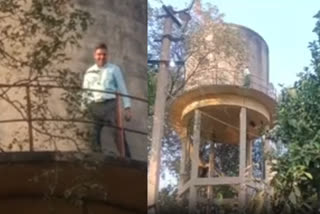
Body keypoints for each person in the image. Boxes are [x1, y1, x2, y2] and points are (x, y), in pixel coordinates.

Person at [81, 43, 132, 157]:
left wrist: (127, 107)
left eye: (104, 54)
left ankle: (127, 158)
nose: (101, 57)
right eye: (99, 54)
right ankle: (97, 158)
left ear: (107, 55)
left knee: (118, 133)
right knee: (94, 133)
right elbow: (85, 91)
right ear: (95, 55)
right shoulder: (89, 72)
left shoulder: (114, 69)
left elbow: (122, 87)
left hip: (110, 104)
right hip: (94, 105)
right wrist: (83, 107)